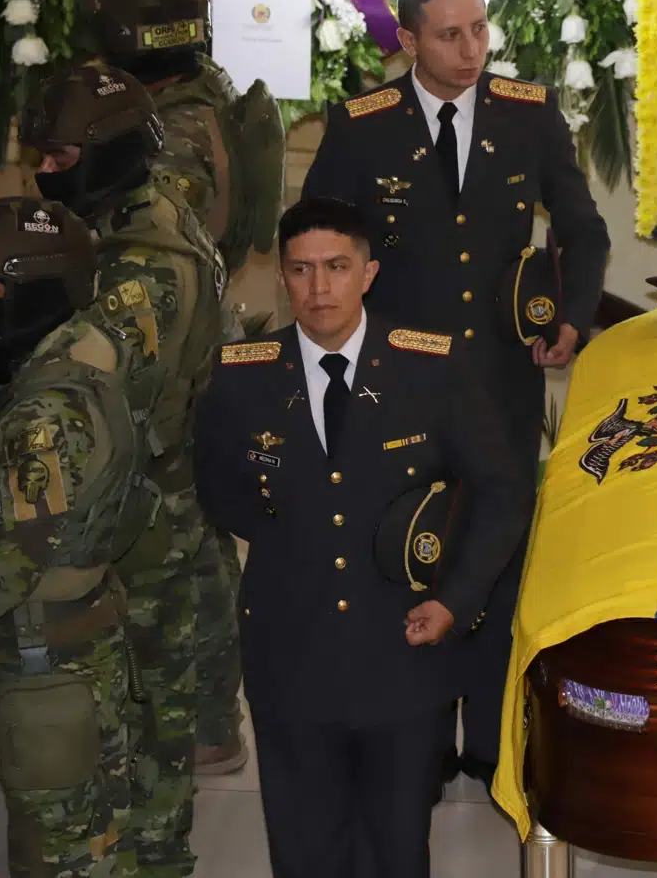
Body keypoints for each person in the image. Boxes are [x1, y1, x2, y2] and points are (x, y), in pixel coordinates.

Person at [300, 0, 610, 788]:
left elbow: (583, 228)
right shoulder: (362, 125)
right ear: (407, 40)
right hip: (400, 385)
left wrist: (573, 317)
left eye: (479, 28)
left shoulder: (528, 113)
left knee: (494, 548)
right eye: (448, 34)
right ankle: (421, 738)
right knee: (408, 547)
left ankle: (489, 738)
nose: (471, 49)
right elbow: (320, 240)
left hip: (501, 379)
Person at [193, 197, 532, 877]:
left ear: (369, 272)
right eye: (301, 270)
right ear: (282, 276)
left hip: (405, 649)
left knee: (397, 847)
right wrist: (301, 544)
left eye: (338, 267)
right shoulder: (241, 376)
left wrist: (457, 601)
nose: (320, 289)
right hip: (291, 649)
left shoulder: (432, 367)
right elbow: (221, 491)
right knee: (305, 846)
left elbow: (503, 488)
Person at [20, 63, 229, 878]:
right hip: (152, 502)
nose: (45, 170)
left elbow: (69, 391)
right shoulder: (149, 202)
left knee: (148, 730)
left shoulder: (142, 271)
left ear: (105, 153)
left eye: (62, 155)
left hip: (142, 522)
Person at [89, 0, 287, 776]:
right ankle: (214, 721)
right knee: (203, 542)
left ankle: (188, 730)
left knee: (171, 556)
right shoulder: (217, 103)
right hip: (218, 342)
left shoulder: (162, 135)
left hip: (164, 361)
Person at [0, 196, 160, 877]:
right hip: (77, 659)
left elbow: (8, 564)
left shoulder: (43, 414)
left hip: (48, 683)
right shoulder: (75, 360)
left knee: (62, 858)